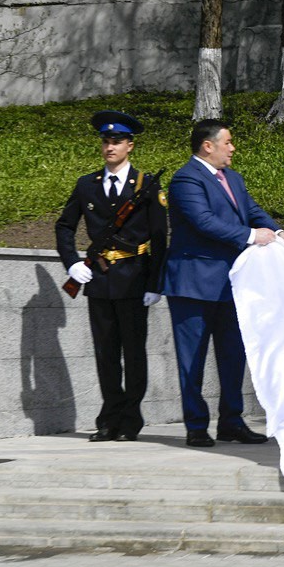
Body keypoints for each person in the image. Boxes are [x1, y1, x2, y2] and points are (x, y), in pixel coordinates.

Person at [161, 119, 284, 447]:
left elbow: (252, 210)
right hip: (193, 284)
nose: (233, 148)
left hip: (231, 283)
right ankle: (196, 425)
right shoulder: (186, 179)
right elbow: (204, 221)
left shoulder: (233, 178)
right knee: (191, 357)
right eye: (228, 142)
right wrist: (253, 236)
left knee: (234, 354)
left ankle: (231, 422)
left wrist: (277, 232)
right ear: (208, 146)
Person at [55, 110, 167, 443]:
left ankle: (130, 419)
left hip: (134, 278)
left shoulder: (146, 185)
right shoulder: (86, 185)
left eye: (117, 141)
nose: (110, 146)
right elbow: (64, 225)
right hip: (99, 279)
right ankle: (109, 418)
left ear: (130, 146)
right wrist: (72, 262)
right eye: (106, 141)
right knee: (105, 353)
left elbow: (160, 237)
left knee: (133, 353)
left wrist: (155, 283)